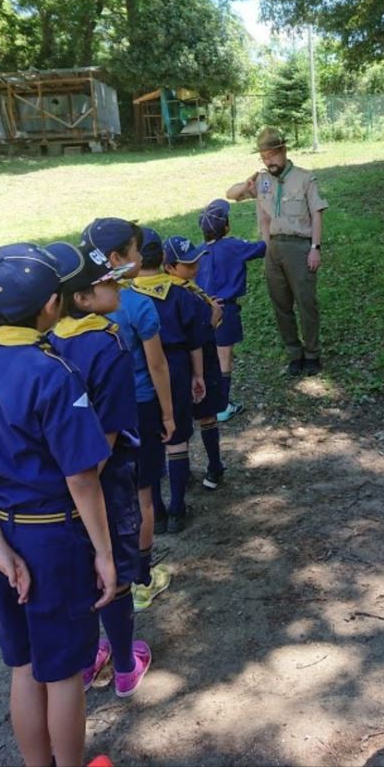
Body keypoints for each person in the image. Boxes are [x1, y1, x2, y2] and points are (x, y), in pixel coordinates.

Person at [0, 243, 115, 767]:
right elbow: (81, 476)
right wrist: (104, 552)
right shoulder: (51, 373)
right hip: (52, 540)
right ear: (52, 307)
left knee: (23, 666)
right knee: (61, 672)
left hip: (1, 537)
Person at [49, 239, 152, 698]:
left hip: (61, 485)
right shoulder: (106, 345)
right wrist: (88, 480)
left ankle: (90, 661)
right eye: (105, 281)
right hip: (103, 481)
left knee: (82, 567)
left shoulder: (46, 342)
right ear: (81, 299)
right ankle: (127, 664)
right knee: (115, 568)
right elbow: (106, 439)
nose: (116, 282)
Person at [82, 217, 175, 612]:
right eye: (136, 251)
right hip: (138, 408)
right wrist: (169, 415)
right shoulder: (137, 305)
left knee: (101, 493)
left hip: (96, 415)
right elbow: (157, 367)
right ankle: (141, 578)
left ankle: (100, 569)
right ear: (118, 259)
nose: (141, 256)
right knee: (145, 495)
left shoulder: (77, 308)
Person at [131, 230, 224, 531]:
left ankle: (155, 512)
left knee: (152, 441)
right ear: (165, 261)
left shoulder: (126, 298)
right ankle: (177, 510)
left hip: (142, 373)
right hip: (178, 367)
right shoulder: (181, 295)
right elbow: (195, 340)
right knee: (177, 439)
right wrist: (198, 375)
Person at [226, 126, 328, 376]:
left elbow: (316, 214)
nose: (267, 161)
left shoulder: (305, 178)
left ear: (283, 150)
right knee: (280, 305)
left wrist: (315, 248)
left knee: (306, 303)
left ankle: (312, 353)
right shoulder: (261, 181)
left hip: (300, 247)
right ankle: (294, 353)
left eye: (271, 155)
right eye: (263, 157)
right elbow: (231, 195)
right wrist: (247, 183)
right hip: (272, 249)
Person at [196, 198, 266, 422]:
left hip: (202, 311)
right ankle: (222, 405)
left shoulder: (198, 252)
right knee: (224, 359)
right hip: (226, 310)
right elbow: (262, 247)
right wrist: (265, 223)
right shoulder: (234, 246)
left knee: (207, 357)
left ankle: (206, 401)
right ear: (226, 226)